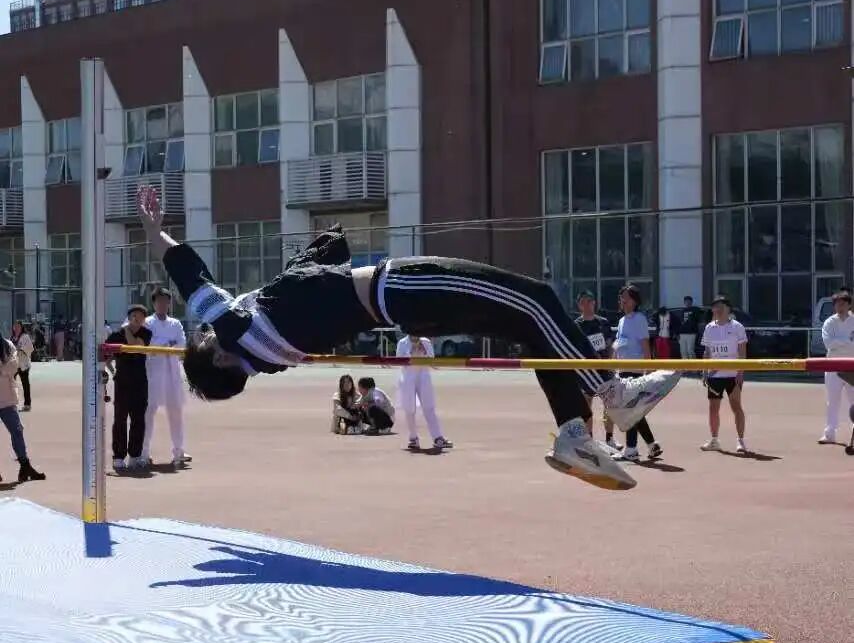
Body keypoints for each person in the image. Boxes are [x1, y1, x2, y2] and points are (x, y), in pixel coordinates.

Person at [136, 186, 679, 492]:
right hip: (404, 287)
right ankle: (614, 396)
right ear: (221, 357)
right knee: (535, 299)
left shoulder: (263, 351)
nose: (209, 327)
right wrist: (152, 229)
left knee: (529, 324)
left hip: (404, 306)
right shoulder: (239, 331)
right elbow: (193, 277)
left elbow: (204, 281)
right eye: (208, 336)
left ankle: (574, 434)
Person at [613, 286, 663, 464]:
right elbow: (619, 344)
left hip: (634, 370)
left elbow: (645, 345)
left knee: (630, 410)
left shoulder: (639, 319)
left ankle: (631, 449)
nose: (623, 301)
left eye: (626, 297)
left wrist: (648, 370)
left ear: (635, 300)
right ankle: (651, 444)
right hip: (622, 369)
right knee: (634, 411)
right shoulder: (621, 320)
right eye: (621, 297)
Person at [142, 286, 190, 470]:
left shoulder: (175, 324)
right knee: (149, 410)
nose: (162, 304)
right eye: (159, 301)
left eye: (165, 301)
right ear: (153, 303)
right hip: (153, 371)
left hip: (172, 371)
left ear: (169, 303)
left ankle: (179, 450)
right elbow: (148, 344)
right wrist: (164, 345)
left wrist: (168, 346)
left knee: (175, 410)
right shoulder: (147, 323)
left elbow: (181, 343)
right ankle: (143, 451)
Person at [700, 295, 748, 454]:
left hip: (732, 375)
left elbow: (742, 351)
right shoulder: (709, 328)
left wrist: (740, 372)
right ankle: (714, 440)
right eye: (715, 307)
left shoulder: (737, 327)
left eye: (721, 307)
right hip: (715, 375)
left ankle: (741, 440)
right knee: (713, 409)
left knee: (736, 406)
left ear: (728, 309)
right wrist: (704, 371)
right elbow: (707, 351)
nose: (718, 310)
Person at [109, 305, 153, 473]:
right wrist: (112, 370)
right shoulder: (116, 335)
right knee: (120, 419)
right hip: (122, 382)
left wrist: (127, 329)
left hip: (140, 382)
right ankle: (118, 457)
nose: (137, 318)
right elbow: (105, 355)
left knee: (138, 420)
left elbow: (135, 345)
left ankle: (135, 455)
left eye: (140, 316)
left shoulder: (146, 333)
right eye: (134, 315)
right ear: (128, 317)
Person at [0, 333, 44, 483]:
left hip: (6, 398)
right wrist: (4, 369)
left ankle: (25, 466)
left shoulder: (7, 345)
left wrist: (2, 370)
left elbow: (14, 366)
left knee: (17, 431)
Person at [396, 333, 451, 452]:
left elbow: (432, 361)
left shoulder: (426, 341)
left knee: (429, 407)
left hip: (423, 376)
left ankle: (437, 437)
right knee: (409, 409)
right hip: (408, 377)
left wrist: (424, 351)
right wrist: (411, 352)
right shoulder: (402, 343)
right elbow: (399, 361)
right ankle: (413, 438)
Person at [574, 291, 615, 449]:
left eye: (590, 301)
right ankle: (589, 439)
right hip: (586, 372)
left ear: (594, 303)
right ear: (579, 305)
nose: (587, 304)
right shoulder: (576, 325)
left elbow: (610, 345)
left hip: (604, 370)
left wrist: (610, 362)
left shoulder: (603, 323)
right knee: (586, 406)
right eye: (584, 301)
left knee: (609, 405)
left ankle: (610, 439)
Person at [818, 290, 854, 445]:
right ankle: (829, 433)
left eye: (843, 304)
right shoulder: (829, 323)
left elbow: (839, 344)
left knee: (853, 401)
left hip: (852, 366)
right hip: (833, 366)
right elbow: (829, 344)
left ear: (849, 305)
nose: (840, 307)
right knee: (832, 401)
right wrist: (848, 341)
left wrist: (840, 342)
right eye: (837, 304)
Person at [11, 321, 33, 411]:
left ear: (21, 328)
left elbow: (30, 348)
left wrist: (21, 349)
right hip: (14, 364)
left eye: (18, 327)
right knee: (11, 384)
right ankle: (11, 403)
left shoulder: (25, 337)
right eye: (15, 327)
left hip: (23, 364)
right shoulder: (12, 337)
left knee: (25, 385)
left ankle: (27, 404)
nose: (16, 328)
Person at [679, 297, 700, 361]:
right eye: (686, 301)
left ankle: (693, 365)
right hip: (682, 333)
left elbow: (698, 319)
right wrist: (678, 333)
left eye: (689, 301)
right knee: (683, 351)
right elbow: (680, 322)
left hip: (691, 333)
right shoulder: (682, 311)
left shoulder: (695, 310)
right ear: (684, 302)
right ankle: (685, 365)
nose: (687, 303)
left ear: (691, 302)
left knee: (690, 350)